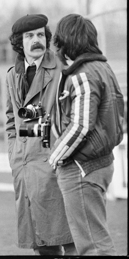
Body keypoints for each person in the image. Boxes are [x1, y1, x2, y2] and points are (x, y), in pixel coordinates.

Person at [49, 13, 125, 255]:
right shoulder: (103, 66)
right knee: (97, 239)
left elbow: (81, 126)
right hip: (101, 163)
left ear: (65, 42)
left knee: (92, 246)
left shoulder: (81, 74)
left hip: (82, 168)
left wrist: (55, 158)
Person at [5, 14, 76, 255]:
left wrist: (56, 152)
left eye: (40, 35)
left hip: (55, 165)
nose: (37, 40)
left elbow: (71, 117)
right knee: (42, 245)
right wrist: (14, 154)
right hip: (25, 167)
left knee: (70, 239)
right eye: (29, 36)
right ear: (19, 42)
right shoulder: (11, 75)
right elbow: (11, 120)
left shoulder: (62, 70)